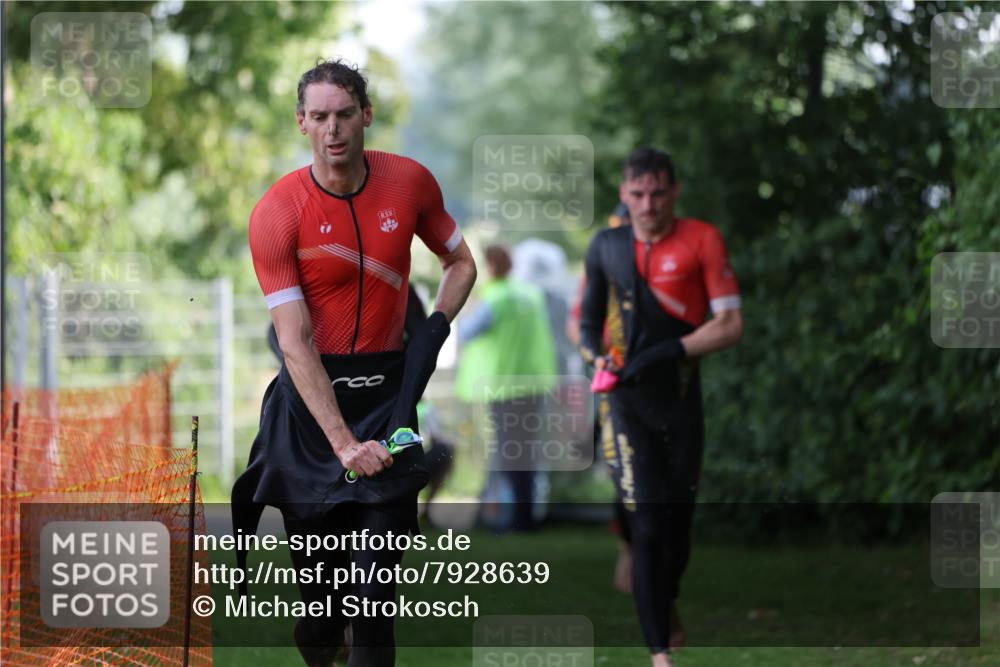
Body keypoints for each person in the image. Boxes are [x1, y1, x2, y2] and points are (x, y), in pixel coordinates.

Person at [230, 58, 476, 667]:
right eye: (319, 118)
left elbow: (461, 263)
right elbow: (294, 342)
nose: (333, 130)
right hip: (312, 418)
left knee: (372, 600)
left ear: (366, 115)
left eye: (344, 115)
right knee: (321, 611)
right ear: (301, 123)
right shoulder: (278, 213)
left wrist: (435, 329)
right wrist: (343, 443)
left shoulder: (410, 183)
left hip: (388, 407)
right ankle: (322, 637)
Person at [579, 147, 743, 667]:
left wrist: (669, 352)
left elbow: (730, 325)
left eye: (657, 193)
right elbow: (582, 324)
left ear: (674, 193)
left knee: (676, 533)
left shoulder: (702, 240)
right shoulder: (606, 246)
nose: (648, 204)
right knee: (646, 522)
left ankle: (664, 597)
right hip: (624, 405)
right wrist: (597, 356)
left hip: (678, 400)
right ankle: (658, 656)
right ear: (624, 196)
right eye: (638, 194)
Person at [455, 244, 558, 532]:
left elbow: (466, 331)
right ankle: (524, 517)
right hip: (535, 385)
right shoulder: (531, 294)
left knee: (509, 454)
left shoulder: (495, 298)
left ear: (488, 267)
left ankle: (512, 520)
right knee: (526, 453)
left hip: (506, 387)